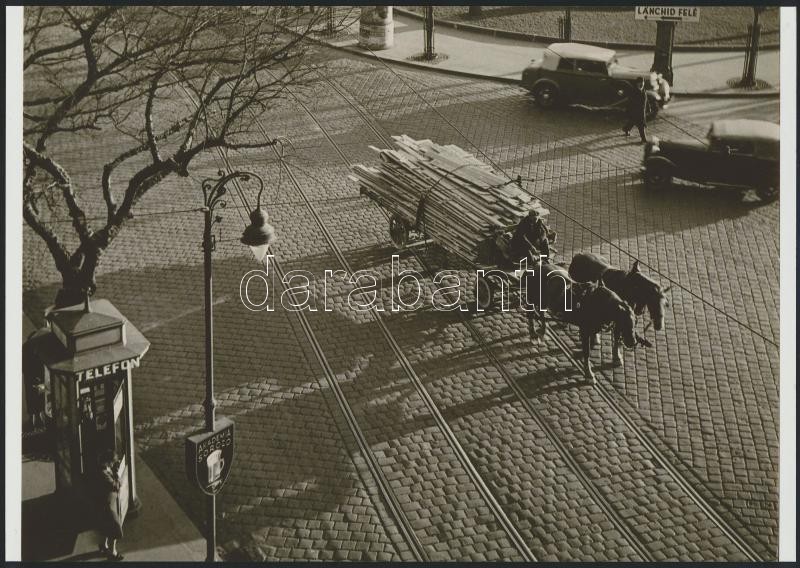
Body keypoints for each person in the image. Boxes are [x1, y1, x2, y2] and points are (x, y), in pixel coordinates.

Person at [96, 456, 124, 561]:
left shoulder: (104, 469)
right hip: (108, 506)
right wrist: (117, 475)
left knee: (105, 526)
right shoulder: (104, 474)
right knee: (115, 528)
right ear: (106, 461)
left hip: (106, 504)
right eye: (112, 461)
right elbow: (116, 485)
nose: (113, 464)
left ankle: (103, 546)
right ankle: (113, 553)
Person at [621, 77, 648, 143]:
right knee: (641, 125)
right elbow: (628, 95)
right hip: (635, 111)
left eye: (643, 83)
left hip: (641, 111)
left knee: (632, 122)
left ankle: (626, 129)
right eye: (640, 83)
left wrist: (648, 108)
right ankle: (644, 139)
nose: (642, 84)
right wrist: (622, 92)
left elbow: (646, 100)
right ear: (637, 83)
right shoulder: (633, 91)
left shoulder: (643, 90)